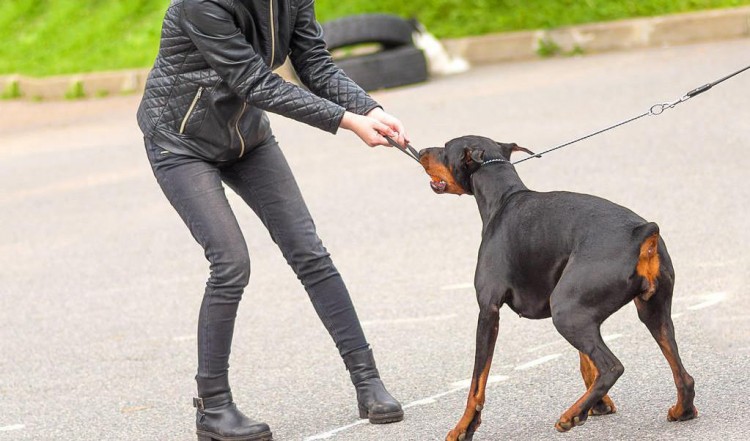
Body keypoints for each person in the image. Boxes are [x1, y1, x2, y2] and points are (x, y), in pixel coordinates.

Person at [136, 1, 408, 440]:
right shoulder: (199, 6)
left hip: (248, 137)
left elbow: (314, 63)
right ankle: (214, 408)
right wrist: (346, 121)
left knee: (309, 251)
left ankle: (368, 382)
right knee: (230, 263)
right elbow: (256, 83)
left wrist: (368, 109)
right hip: (180, 142)